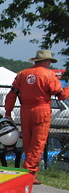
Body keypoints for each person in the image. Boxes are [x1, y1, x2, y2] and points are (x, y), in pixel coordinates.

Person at [4, 49, 69, 184]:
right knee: (38, 143)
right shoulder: (49, 75)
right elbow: (61, 95)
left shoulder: (22, 74)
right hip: (42, 109)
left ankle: (29, 170)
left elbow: (12, 94)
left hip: (25, 110)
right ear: (46, 61)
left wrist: (8, 112)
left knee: (28, 141)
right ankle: (30, 172)